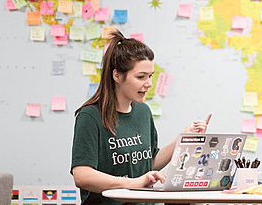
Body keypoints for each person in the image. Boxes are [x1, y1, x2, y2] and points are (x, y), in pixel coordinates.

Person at [71, 30, 211, 205]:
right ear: (117, 75)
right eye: (141, 77)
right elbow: (82, 175)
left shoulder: (143, 111)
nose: (149, 84)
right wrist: (132, 183)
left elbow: (147, 164)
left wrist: (183, 139)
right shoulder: (90, 116)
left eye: (150, 76)